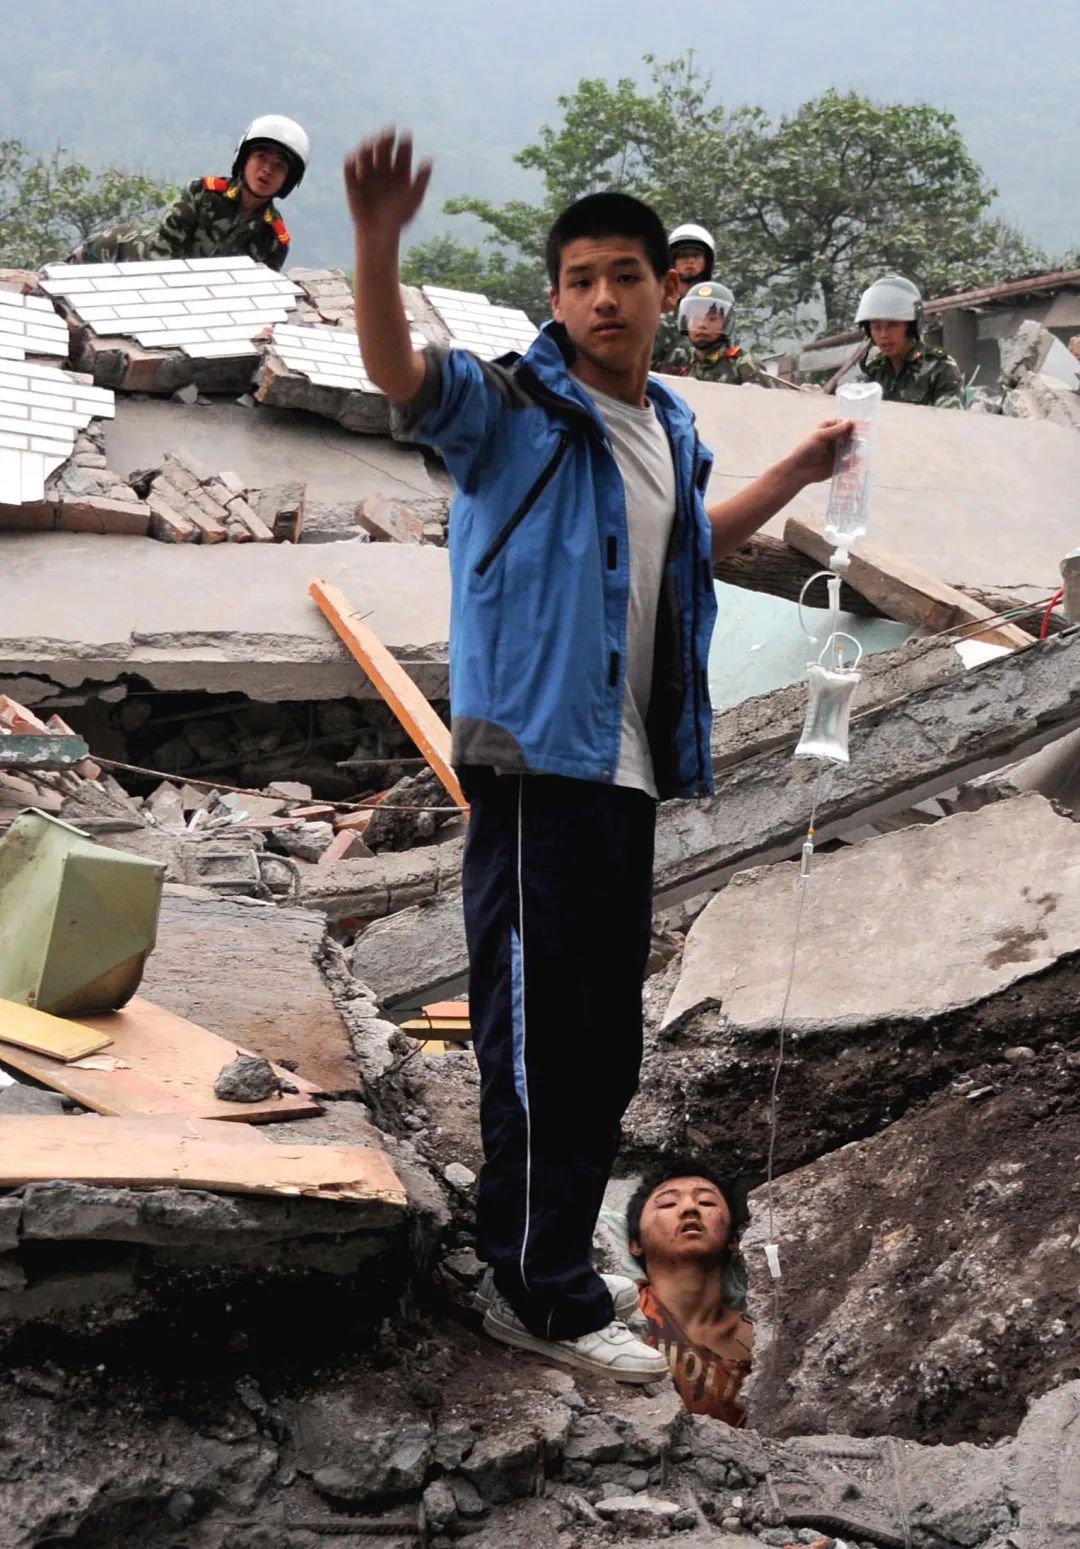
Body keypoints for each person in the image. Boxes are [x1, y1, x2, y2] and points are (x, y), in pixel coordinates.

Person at [343, 127, 850, 1385]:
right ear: (556, 296)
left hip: (625, 772)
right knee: (535, 1039)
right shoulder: (513, 410)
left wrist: (798, 461)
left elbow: (688, 544)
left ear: (662, 290)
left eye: (627, 275)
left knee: (603, 1044)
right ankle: (536, 1286)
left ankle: (553, 1246)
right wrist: (375, 241)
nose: (605, 299)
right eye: (581, 279)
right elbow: (401, 370)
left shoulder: (668, 428)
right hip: (535, 769)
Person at [71, 116, 310, 272]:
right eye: (261, 158)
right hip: (113, 255)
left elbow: (256, 295)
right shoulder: (203, 194)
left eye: (279, 166)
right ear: (244, 159)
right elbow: (161, 257)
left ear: (288, 179)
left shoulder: (274, 240)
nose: (267, 170)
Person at [626, 1159, 753, 1424]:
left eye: (706, 1203)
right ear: (635, 1244)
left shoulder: (763, 1344)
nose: (689, 1208)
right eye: (667, 1204)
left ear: (734, 1240)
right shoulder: (619, 1310)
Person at [855, 274, 964, 408]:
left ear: (911, 326)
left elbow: (950, 422)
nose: (883, 334)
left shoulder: (940, 368)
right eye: (876, 326)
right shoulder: (872, 372)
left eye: (892, 325)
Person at [666, 281, 774, 387]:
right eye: (696, 318)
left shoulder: (742, 364)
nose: (702, 325)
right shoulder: (679, 361)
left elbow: (769, 402)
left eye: (711, 319)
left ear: (726, 323)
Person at [651, 222, 715, 370]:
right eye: (683, 256)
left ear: (706, 262)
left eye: (696, 255)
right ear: (672, 262)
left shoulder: (716, 309)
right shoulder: (658, 308)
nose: (690, 261)